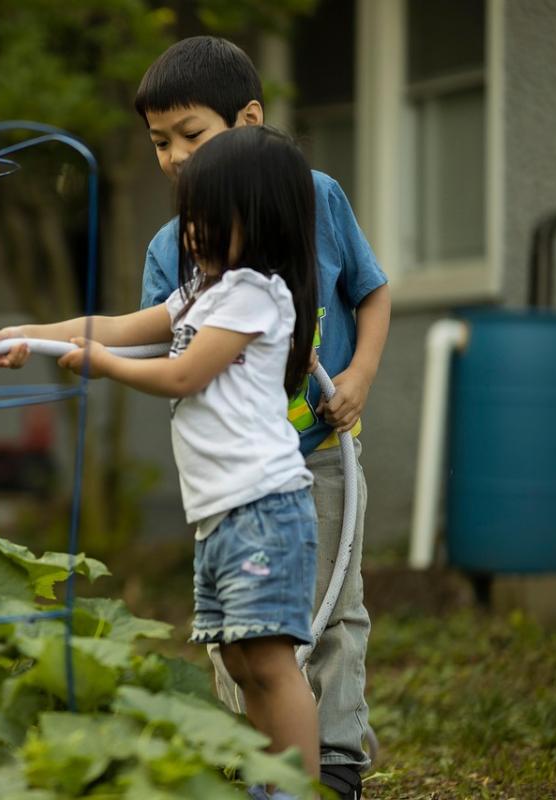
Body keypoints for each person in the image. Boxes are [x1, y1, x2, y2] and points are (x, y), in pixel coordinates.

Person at [0, 125, 322, 793]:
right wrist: (31, 335)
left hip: (264, 507)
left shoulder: (257, 293)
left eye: (208, 219)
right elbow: (111, 327)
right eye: (189, 218)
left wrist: (106, 367)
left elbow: (181, 375)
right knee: (237, 658)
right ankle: (265, 783)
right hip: (221, 515)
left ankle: (299, 790)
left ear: (258, 219)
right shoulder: (198, 295)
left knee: (271, 661)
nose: (192, 233)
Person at [135, 36, 391, 800]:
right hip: (236, 477)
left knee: (333, 608)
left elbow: (373, 293)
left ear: (249, 120)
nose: (177, 157)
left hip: (319, 450)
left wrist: (359, 375)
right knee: (237, 623)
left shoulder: (319, 200)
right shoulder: (170, 247)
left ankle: (336, 758)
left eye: (192, 135)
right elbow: (165, 347)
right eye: (159, 143)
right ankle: (253, 755)